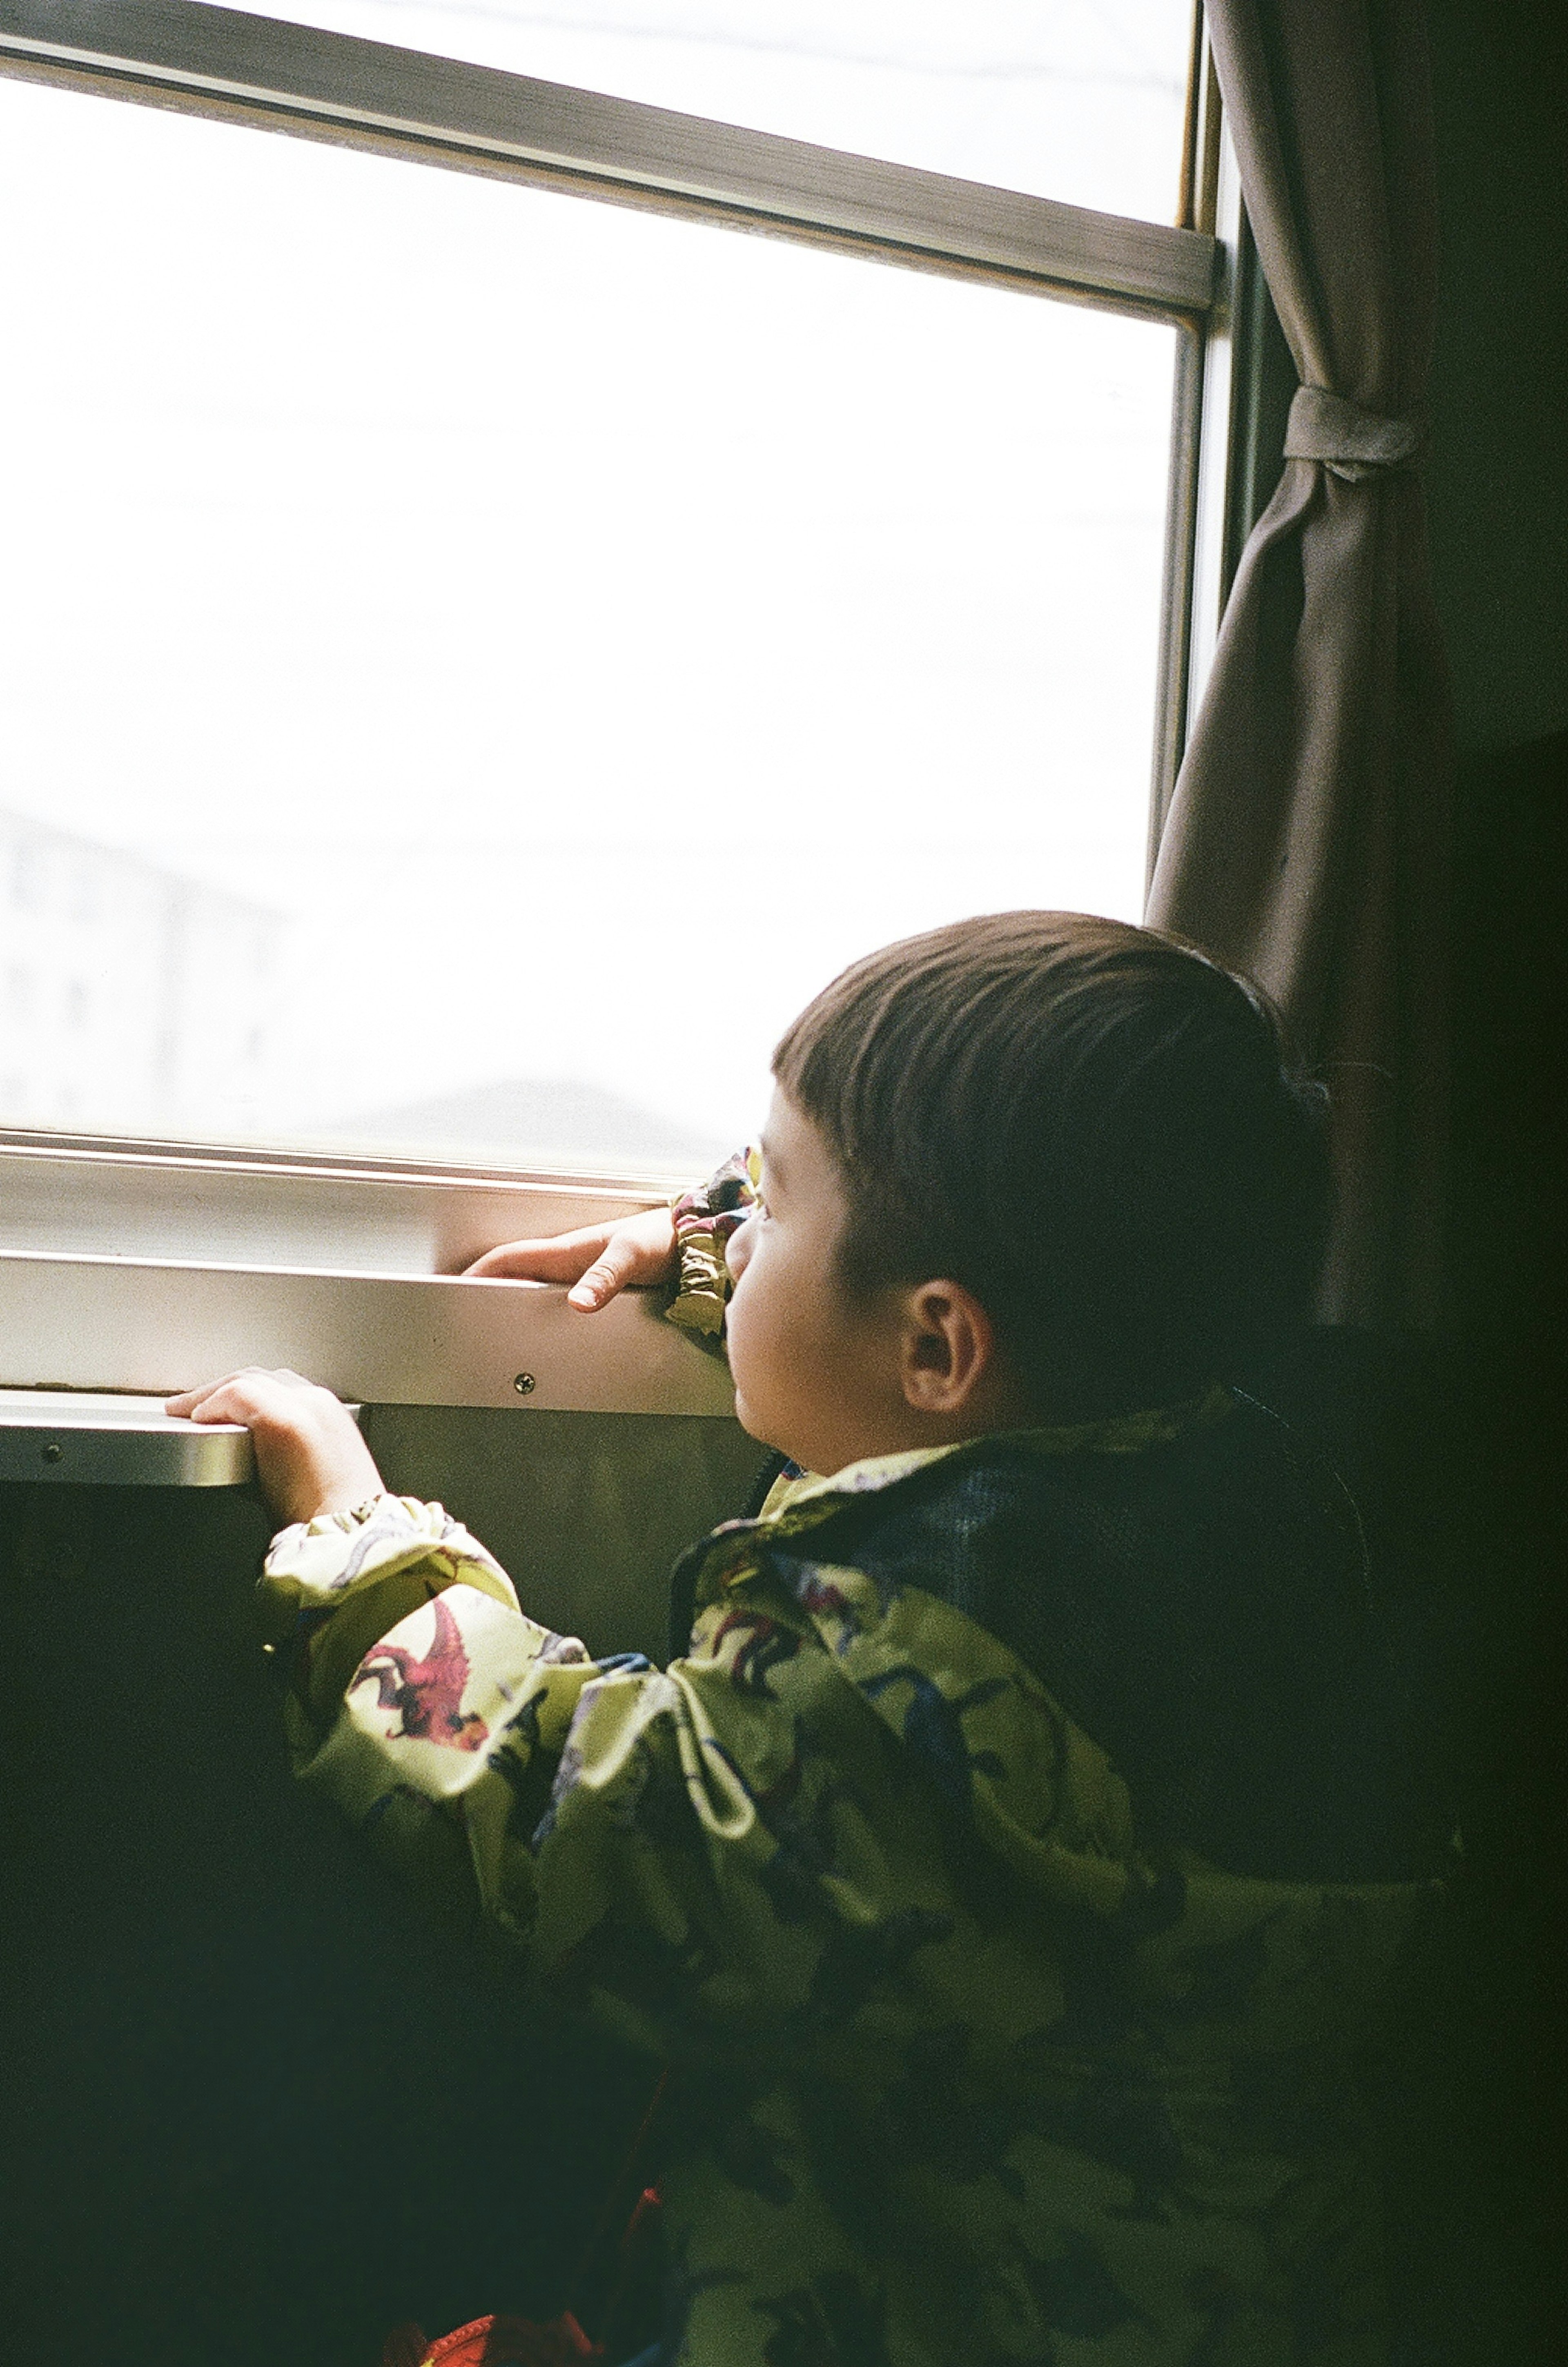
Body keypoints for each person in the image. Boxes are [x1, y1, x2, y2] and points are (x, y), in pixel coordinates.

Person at [169, 912, 1431, 2367]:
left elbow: (575, 1821)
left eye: (766, 1199)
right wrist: (716, 1258)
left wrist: (360, 1535)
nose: (726, 1220)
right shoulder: (1236, 1499)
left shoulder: (894, 1678)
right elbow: (924, 1357)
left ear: (940, 1345)